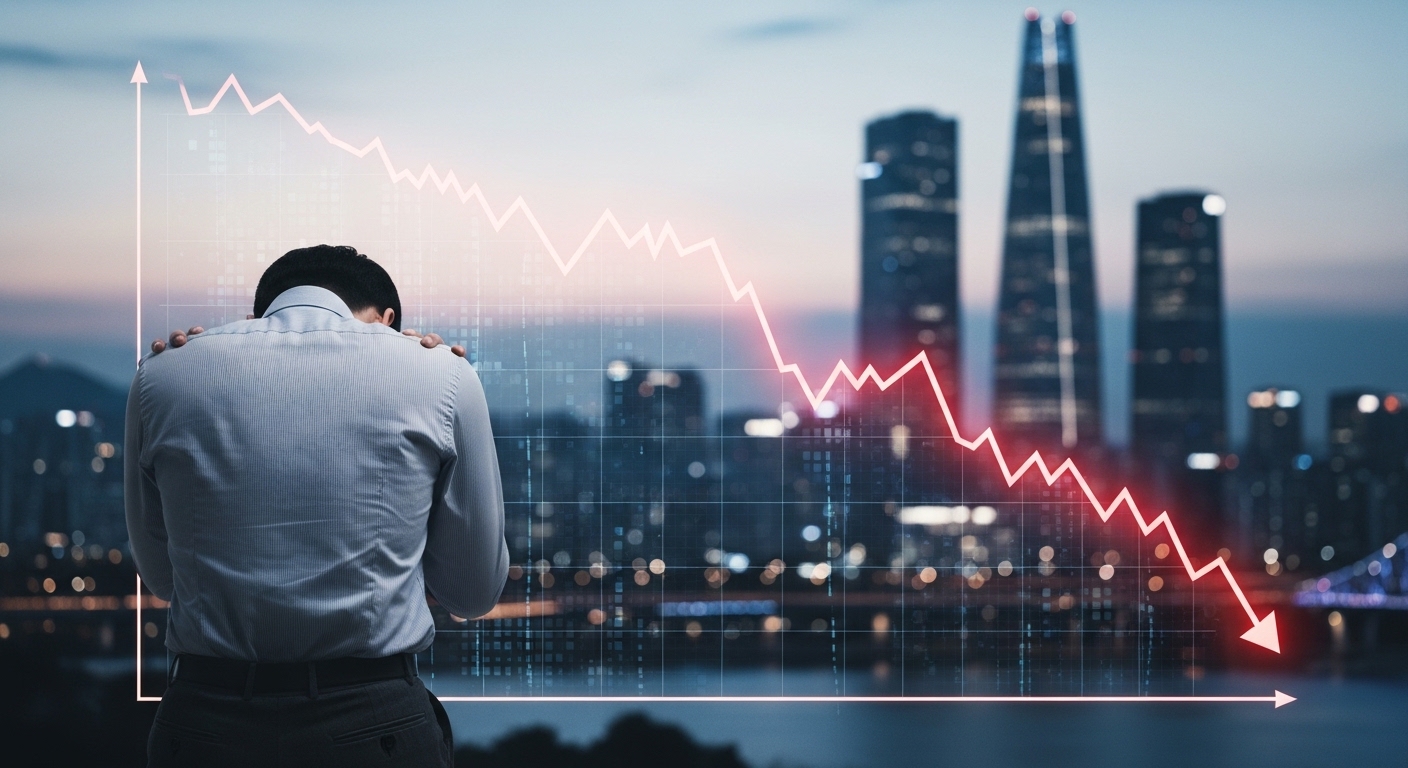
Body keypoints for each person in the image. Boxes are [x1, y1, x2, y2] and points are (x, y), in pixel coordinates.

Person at [126, 244, 508, 766]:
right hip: (374, 723)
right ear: (389, 320)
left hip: (203, 721)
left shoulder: (161, 375)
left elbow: (167, 581)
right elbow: (471, 592)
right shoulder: (442, 375)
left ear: (259, 315)